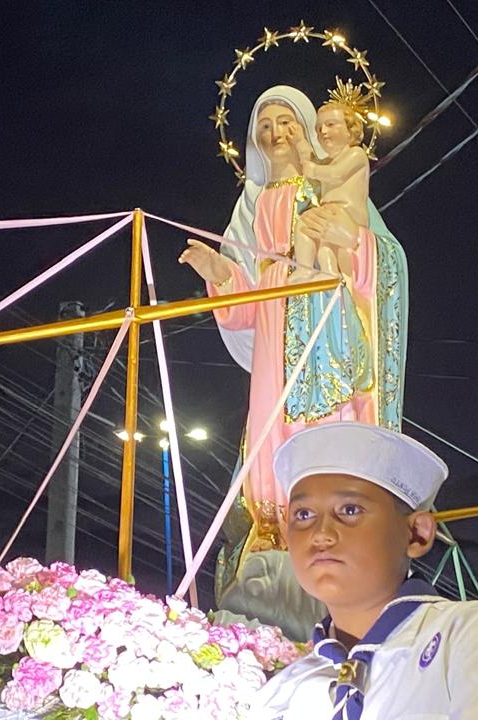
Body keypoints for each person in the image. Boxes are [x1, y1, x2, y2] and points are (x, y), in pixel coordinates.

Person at [179, 85, 410, 553]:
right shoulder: (255, 205)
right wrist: (221, 273)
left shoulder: (327, 182)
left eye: (286, 122)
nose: (275, 133)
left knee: (323, 421)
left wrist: (352, 240)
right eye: (264, 126)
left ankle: (329, 521)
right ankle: (276, 526)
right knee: (271, 425)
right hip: (275, 340)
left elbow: (384, 265)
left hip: (327, 327)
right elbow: (252, 305)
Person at [251, 422, 478, 719]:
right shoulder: (284, 691)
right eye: (303, 515)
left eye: (350, 510)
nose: (321, 534)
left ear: (417, 534)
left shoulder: (467, 638)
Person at [286, 89, 371, 284]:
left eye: (330, 124)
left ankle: (329, 270)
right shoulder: (325, 162)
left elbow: (335, 174)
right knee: (305, 225)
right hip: (329, 210)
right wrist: (300, 142)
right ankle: (308, 269)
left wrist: (314, 170)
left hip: (349, 212)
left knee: (325, 239)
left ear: (350, 129)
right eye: (318, 128)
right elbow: (311, 168)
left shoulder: (356, 154)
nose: (323, 131)